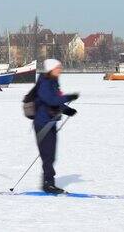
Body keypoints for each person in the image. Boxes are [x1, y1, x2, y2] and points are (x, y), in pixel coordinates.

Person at [34, 59, 79, 194]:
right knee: (47, 155)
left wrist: (66, 110)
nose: (61, 69)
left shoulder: (53, 82)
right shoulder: (44, 83)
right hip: (42, 124)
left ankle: (48, 182)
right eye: (58, 67)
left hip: (50, 122)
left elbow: (55, 101)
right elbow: (50, 100)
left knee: (51, 155)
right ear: (51, 69)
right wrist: (67, 97)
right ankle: (48, 184)